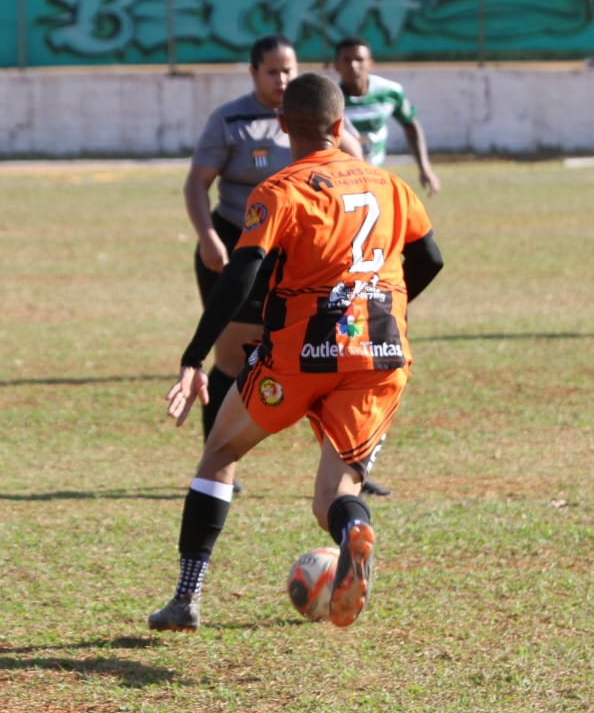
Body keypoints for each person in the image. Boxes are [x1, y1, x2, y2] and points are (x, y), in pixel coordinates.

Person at [148, 73, 444, 632]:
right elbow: (429, 258)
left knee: (219, 456)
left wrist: (195, 356)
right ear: (340, 125)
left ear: (284, 125)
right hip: (379, 354)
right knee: (332, 497)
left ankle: (186, 599)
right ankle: (352, 531)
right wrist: (382, 306)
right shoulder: (391, 184)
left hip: (300, 354)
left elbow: (240, 276)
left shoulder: (279, 190)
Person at [183, 34, 377, 496]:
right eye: (272, 71)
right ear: (253, 74)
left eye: (288, 70)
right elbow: (196, 184)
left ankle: (349, 468)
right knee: (232, 357)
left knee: (330, 354)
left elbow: (359, 164)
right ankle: (218, 462)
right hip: (238, 245)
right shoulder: (230, 120)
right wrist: (208, 236)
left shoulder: (315, 118)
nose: (282, 78)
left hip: (301, 254)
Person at [334, 36, 440, 193]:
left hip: (376, 178)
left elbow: (410, 125)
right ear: (336, 66)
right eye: (347, 60)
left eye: (359, 59)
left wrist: (425, 169)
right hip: (342, 180)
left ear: (371, 63)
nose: (353, 65)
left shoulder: (390, 92)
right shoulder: (330, 100)